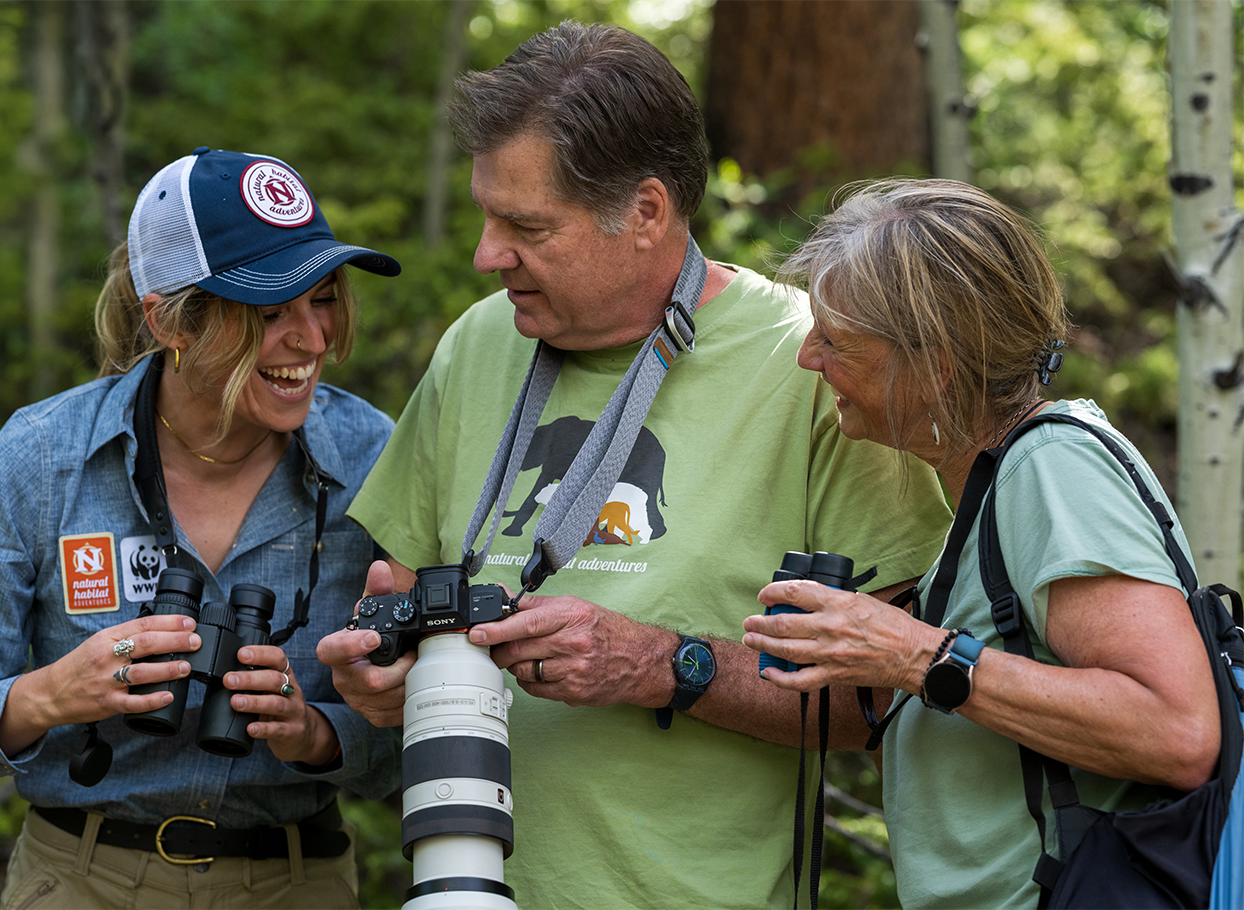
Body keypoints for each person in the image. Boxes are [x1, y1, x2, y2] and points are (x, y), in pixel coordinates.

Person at [313, 23, 955, 907]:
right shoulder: (478, 342)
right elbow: (397, 594)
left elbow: (892, 703)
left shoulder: (809, 362)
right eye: (486, 215)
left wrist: (666, 665)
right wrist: (384, 666)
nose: (487, 254)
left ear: (647, 211)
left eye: (526, 225)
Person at [0, 147, 404, 909]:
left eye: (323, 298)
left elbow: (424, 735)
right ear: (169, 319)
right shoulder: (41, 461)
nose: (313, 338)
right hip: (80, 879)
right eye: (270, 311)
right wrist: (53, 694)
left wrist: (316, 735)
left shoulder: (376, 462)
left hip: (298, 882)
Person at [742, 178, 1222, 908]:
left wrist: (911, 654)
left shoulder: (1051, 469)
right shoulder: (991, 486)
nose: (810, 357)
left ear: (934, 364)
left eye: (835, 338)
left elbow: (1176, 731)